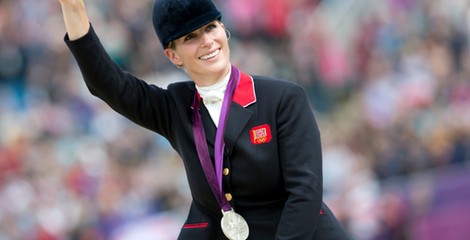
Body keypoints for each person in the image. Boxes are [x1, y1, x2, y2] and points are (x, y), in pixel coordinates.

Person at [57, 0, 351, 239]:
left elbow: (305, 193)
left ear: (224, 29)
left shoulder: (283, 98)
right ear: (173, 56)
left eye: (210, 28)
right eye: (191, 37)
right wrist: (72, 7)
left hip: (297, 234)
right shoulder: (175, 107)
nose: (207, 41)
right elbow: (108, 84)